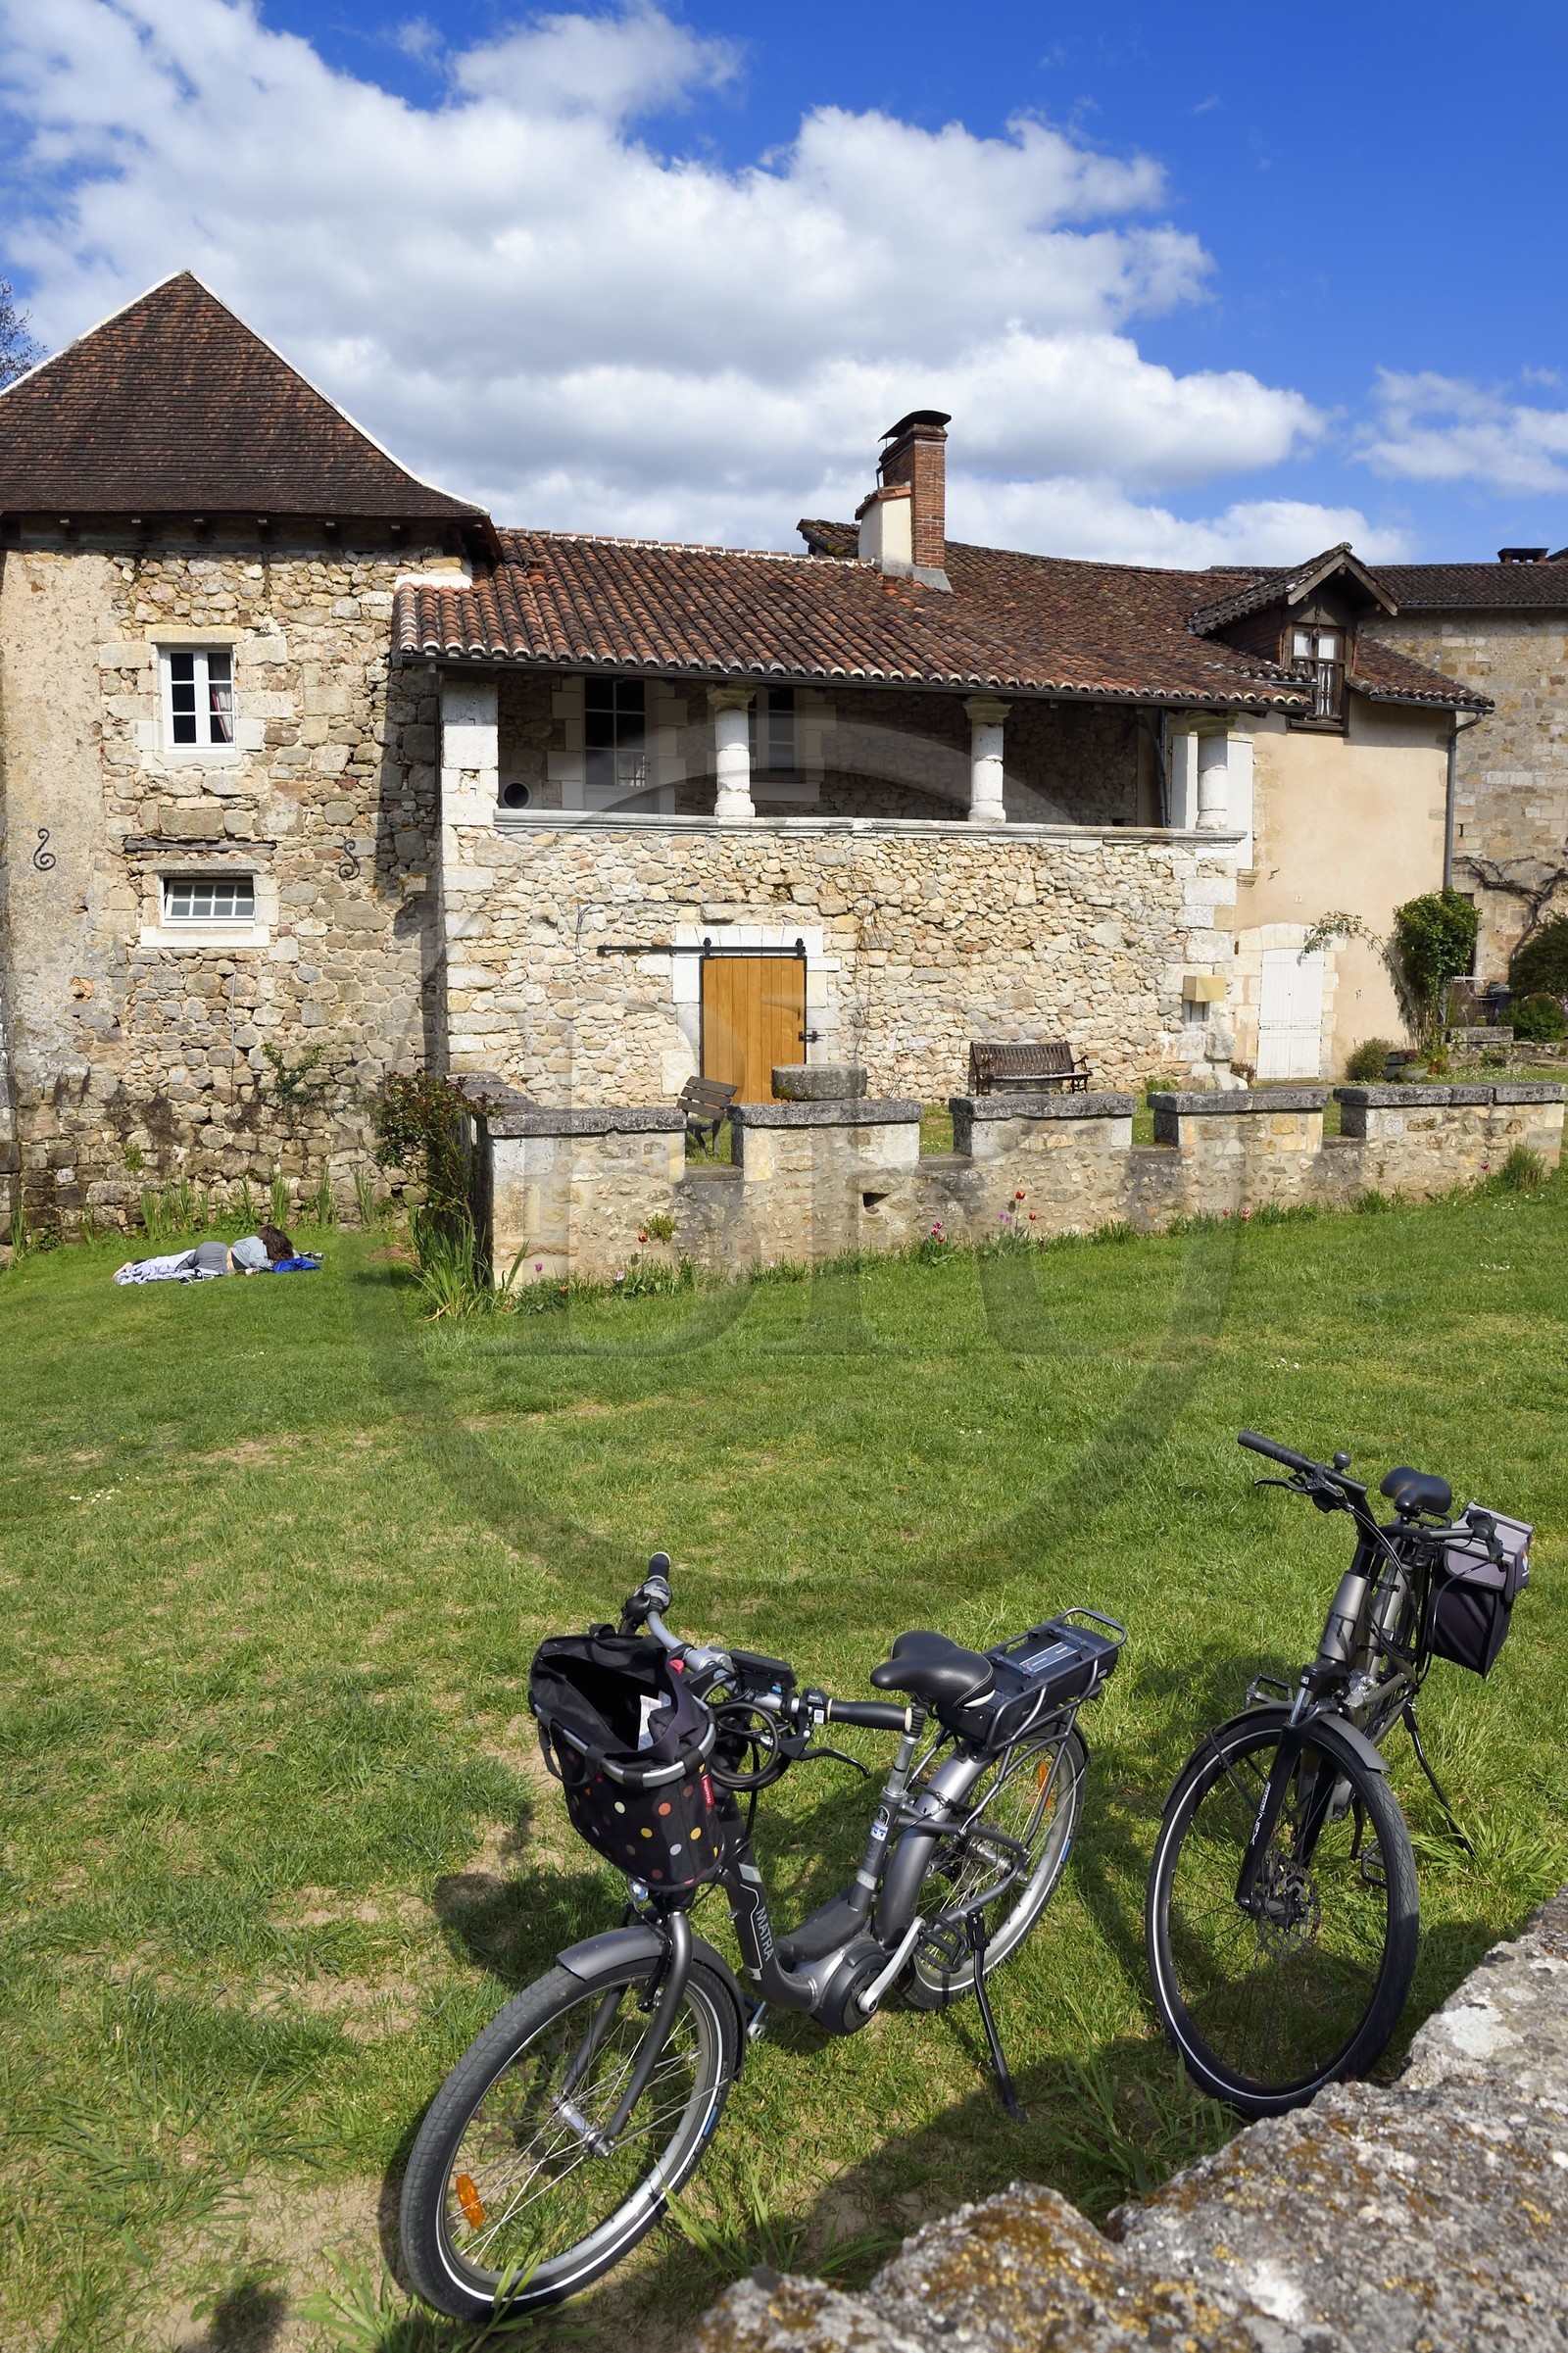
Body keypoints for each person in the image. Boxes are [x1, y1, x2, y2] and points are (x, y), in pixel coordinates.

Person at [114, 1224, 297, 1284]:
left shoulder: (252, 1241)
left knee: (177, 1262)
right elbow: (294, 1257)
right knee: (178, 1269)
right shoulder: (268, 1257)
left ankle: (141, 1264)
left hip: (217, 1249)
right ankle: (135, 1266)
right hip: (218, 1263)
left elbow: (235, 1244)